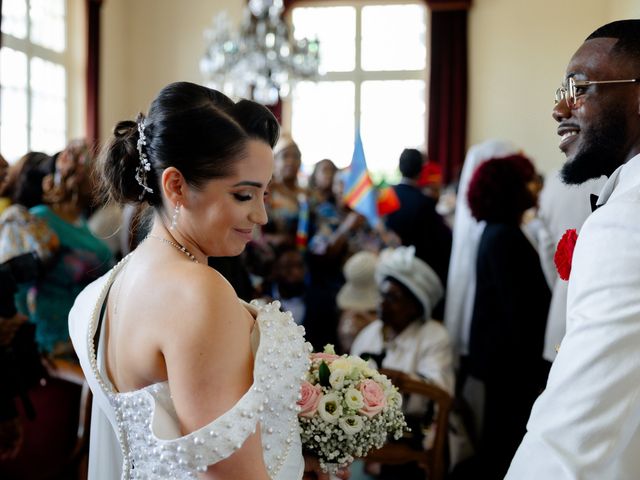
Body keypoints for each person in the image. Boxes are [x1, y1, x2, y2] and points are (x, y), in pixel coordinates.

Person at [68, 82, 348, 480]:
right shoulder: (198, 293)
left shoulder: (109, 286)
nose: (262, 216)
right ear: (176, 185)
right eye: (243, 196)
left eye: (264, 194)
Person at [506, 20, 640, 479]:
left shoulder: (628, 219)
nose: (560, 106)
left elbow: (575, 429)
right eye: (561, 89)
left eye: (580, 87)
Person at [465, 155, 551, 479]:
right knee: (506, 444)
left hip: (504, 360)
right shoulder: (504, 236)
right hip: (511, 364)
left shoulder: (500, 230)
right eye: (528, 181)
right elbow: (518, 310)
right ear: (510, 189)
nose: (535, 188)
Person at [385, 149, 452, 289]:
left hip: (390, 264)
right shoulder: (424, 201)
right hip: (419, 270)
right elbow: (441, 240)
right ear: (422, 170)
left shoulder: (387, 195)